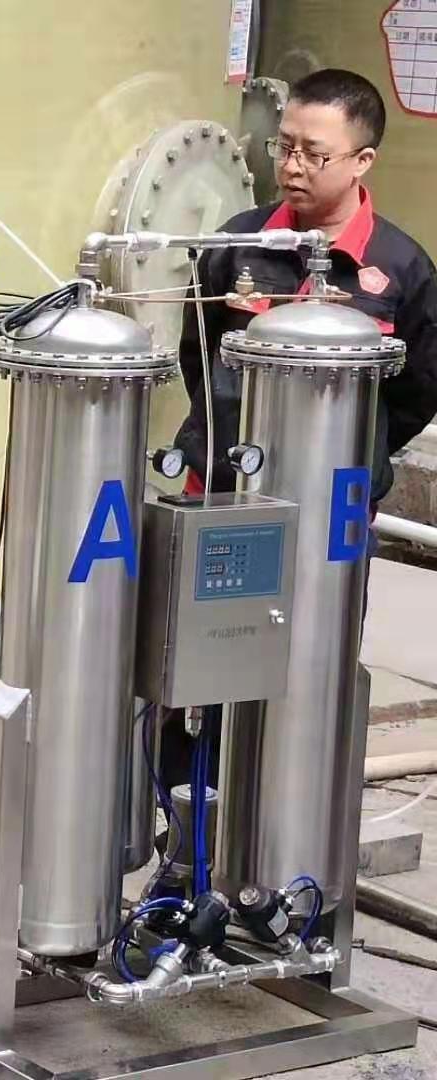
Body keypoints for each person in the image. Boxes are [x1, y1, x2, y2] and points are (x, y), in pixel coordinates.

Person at [159, 69, 437, 797]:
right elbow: (197, 352)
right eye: (285, 147)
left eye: (316, 154)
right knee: (197, 676)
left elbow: (415, 390)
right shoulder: (236, 244)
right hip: (227, 500)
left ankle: (288, 824)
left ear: (362, 161)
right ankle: (185, 834)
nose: (293, 166)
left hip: (328, 515)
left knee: (310, 673)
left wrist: (353, 451)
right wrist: (229, 440)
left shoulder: (399, 269)